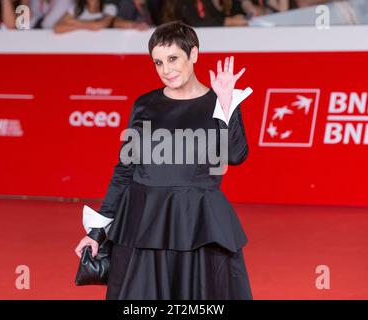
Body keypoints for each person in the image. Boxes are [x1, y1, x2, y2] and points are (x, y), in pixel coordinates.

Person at [75, 20, 254, 299]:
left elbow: (235, 156)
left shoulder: (218, 102)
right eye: (158, 63)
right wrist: (97, 230)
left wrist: (227, 104)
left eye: (173, 59)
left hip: (197, 223)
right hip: (143, 221)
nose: (166, 70)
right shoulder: (145, 105)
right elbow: (125, 170)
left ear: (193, 54)